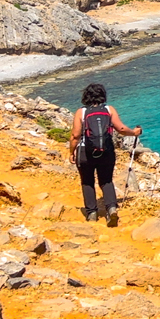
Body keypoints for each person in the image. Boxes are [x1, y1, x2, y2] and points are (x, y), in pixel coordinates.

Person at [67, 83, 141, 226]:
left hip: (85, 152)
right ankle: (111, 209)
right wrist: (134, 132)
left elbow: (75, 135)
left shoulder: (81, 112)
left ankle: (92, 213)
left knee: (87, 181)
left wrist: (71, 152)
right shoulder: (109, 109)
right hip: (106, 151)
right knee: (106, 180)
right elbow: (121, 128)